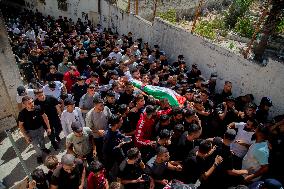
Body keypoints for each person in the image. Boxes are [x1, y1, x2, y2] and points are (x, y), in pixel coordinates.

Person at [18, 96, 51, 164]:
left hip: (40, 128)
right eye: (29, 103)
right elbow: (20, 125)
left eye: (32, 102)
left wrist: (48, 127)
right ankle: (39, 156)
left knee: (42, 140)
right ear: (25, 104)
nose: (32, 104)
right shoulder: (22, 114)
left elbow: (45, 116)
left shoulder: (38, 108)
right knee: (36, 145)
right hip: (30, 132)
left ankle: (43, 149)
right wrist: (26, 136)